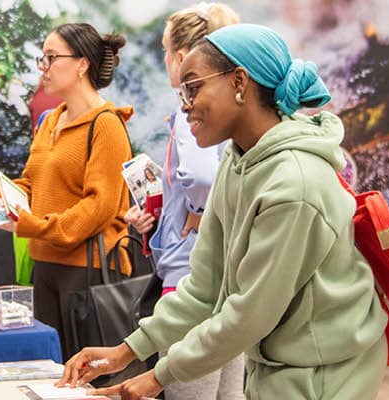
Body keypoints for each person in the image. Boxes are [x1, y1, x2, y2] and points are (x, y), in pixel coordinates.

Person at [59, 24, 388, 400]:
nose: (184, 104)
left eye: (194, 86)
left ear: (240, 82)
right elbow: (204, 287)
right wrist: (127, 351)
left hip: (324, 377)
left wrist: (156, 376)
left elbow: (250, 315)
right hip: (278, 367)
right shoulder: (238, 161)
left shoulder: (294, 185)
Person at [0, 22, 133, 359]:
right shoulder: (50, 121)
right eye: (42, 58)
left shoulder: (106, 125)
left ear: (82, 64)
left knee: (88, 377)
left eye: (51, 57)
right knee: (50, 373)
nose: (42, 68)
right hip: (46, 266)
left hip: (88, 273)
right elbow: (33, 184)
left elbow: (98, 208)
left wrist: (34, 226)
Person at [121, 3, 246, 399]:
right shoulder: (234, 107)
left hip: (189, 278)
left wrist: (197, 211)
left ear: (181, 57)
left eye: (164, 50)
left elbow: (203, 175)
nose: (163, 59)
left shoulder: (191, 110)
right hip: (229, 280)